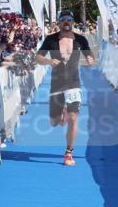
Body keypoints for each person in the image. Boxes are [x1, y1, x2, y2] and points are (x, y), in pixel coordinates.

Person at [35, 9, 94, 166]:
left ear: (73, 22)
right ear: (59, 22)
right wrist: (48, 62)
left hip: (74, 84)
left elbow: (90, 55)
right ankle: (62, 112)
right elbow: (37, 57)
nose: (66, 22)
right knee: (55, 122)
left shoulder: (81, 39)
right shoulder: (51, 40)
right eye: (63, 20)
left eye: (69, 19)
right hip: (57, 83)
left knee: (74, 118)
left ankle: (68, 153)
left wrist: (89, 58)